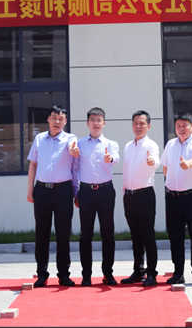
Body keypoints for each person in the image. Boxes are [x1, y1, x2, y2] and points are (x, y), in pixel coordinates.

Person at [27, 105, 80, 288]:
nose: (57, 121)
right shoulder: (39, 139)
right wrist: (30, 190)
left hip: (63, 191)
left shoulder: (70, 139)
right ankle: (42, 274)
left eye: (61, 118)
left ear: (65, 121)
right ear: (48, 119)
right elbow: (33, 164)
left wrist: (76, 193)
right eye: (54, 117)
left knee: (63, 233)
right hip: (42, 190)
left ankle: (64, 274)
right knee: (41, 233)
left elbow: (74, 159)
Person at [71, 107, 120, 286]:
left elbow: (116, 158)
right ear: (87, 123)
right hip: (86, 192)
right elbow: (75, 169)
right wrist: (76, 192)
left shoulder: (111, 144)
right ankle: (86, 275)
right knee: (86, 234)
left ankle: (108, 273)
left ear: (104, 123)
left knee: (108, 234)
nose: (96, 123)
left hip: (106, 191)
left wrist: (110, 159)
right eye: (92, 119)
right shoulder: (80, 144)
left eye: (99, 120)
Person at [161, 111, 192, 286]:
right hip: (173, 197)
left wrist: (188, 164)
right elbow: (165, 167)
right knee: (175, 238)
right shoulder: (170, 144)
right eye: (178, 125)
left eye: (185, 125)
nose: (181, 128)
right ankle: (178, 272)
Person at [121, 110, 161, 287]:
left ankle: (151, 273)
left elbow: (156, 160)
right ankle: (138, 271)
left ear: (148, 126)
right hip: (129, 196)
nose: (138, 126)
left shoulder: (151, 145)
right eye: (135, 123)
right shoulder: (128, 146)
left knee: (147, 236)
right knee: (135, 236)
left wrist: (153, 162)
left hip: (145, 195)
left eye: (142, 123)